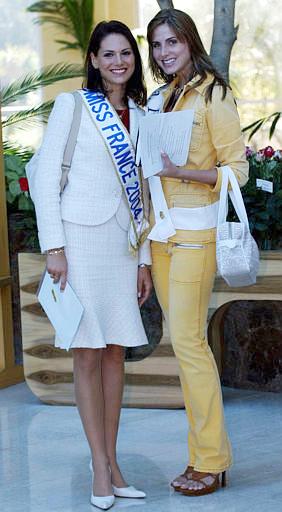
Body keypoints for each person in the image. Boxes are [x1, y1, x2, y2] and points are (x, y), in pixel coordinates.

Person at [31, 20, 152, 510]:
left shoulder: (142, 115)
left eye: (126, 53)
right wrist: (54, 247)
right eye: (109, 54)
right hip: (78, 241)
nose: (119, 61)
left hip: (122, 249)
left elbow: (144, 194)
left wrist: (143, 260)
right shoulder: (73, 106)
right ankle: (99, 466)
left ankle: (113, 461)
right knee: (86, 352)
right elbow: (43, 178)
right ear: (94, 60)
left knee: (116, 353)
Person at [146, 8, 248, 496]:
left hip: (196, 236)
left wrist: (183, 172)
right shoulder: (160, 97)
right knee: (184, 346)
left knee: (190, 345)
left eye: (173, 42)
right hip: (162, 237)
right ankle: (200, 455)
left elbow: (238, 171)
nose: (165, 53)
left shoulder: (214, 94)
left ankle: (211, 460)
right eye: (158, 45)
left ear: (190, 41)